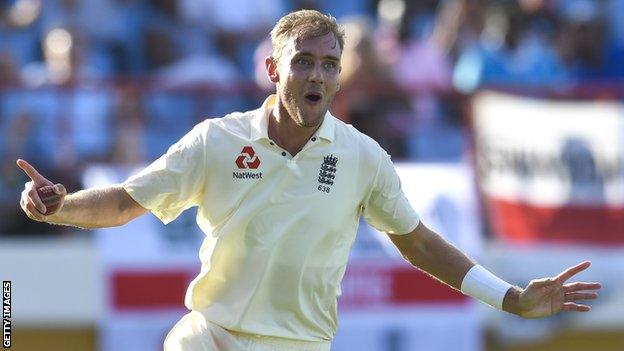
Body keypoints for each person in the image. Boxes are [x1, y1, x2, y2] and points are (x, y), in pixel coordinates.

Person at [17, 10, 601, 351]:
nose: (316, 74)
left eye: (328, 64)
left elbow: (420, 243)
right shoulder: (215, 139)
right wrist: (59, 207)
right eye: (302, 61)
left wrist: (512, 298)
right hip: (211, 337)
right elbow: (123, 202)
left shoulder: (364, 158)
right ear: (274, 69)